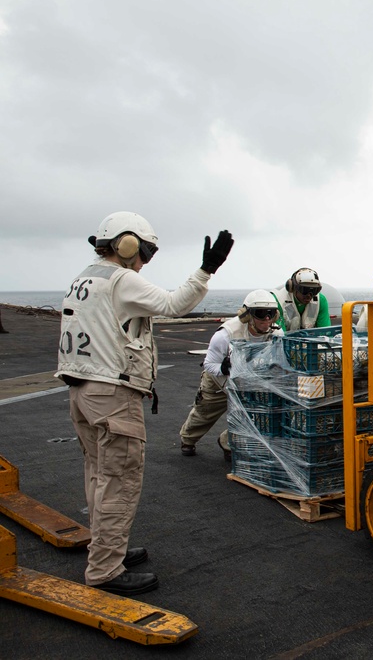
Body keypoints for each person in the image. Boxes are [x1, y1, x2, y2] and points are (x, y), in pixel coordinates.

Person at [56, 212, 233, 596]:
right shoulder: (121, 279)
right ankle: (104, 569)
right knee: (119, 481)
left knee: (98, 475)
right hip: (111, 397)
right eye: (145, 252)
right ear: (126, 244)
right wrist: (206, 270)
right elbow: (173, 305)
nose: (143, 261)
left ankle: (106, 547)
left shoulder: (83, 279)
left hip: (81, 392)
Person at [178, 290, 283, 459]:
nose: (267, 319)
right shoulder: (226, 334)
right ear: (247, 315)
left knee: (255, 413)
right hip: (220, 379)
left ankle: (229, 442)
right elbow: (209, 364)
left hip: (251, 379)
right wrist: (223, 369)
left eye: (271, 314)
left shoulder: (276, 334)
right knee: (205, 413)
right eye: (261, 314)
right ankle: (188, 439)